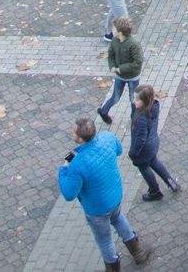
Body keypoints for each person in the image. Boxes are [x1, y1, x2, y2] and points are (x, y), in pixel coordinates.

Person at [57, 114, 150, 272]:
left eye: (73, 132)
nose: (71, 133)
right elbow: (119, 150)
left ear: (80, 139)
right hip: (115, 196)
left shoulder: (76, 164)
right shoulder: (107, 137)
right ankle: (138, 251)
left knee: (104, 240)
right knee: (118, 218)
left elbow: (69, 194)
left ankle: (113, 267)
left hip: (97, 209)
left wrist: (64, 169)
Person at [127, 83, 177, 201]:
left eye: (137, 100)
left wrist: (133, 153)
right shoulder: (153, 107)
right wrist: (135, 107)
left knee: (144, 168)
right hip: (153, 144)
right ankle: (172, 183)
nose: (134, 101)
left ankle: (155, 191)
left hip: (144, 150)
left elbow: (140, 139)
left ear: (145, 101)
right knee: (154, 162)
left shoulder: (142, 118)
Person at [100, 16, 144, 122]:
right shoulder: (114, 41)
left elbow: (138, 62)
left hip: (132, 77)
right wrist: (112, 66)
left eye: (114, 28)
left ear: (120, 32)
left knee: (133, 99)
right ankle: (103, 111)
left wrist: (121, 69)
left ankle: (134, 119)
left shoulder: (133, 44)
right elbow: (110, 55)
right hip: (120, 76)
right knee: (115, 97)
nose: (112, 30)